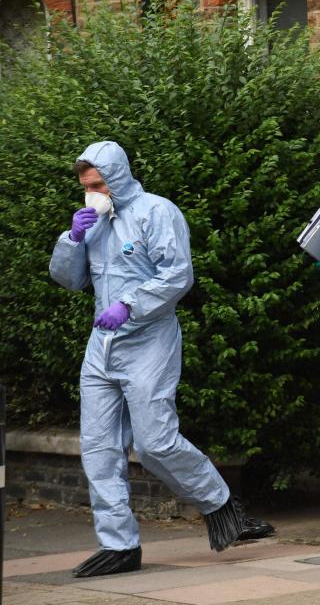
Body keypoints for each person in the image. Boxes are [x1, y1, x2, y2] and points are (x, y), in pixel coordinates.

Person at [49, 141, 274, 578]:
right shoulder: (93, 221)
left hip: (148, 341)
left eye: (97, 184)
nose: (91, 193)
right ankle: (119, 545)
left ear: (116, 176)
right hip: (102, 345)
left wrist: (130, 305)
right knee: (98, 448)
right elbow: (69, 280)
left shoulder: (157, 212)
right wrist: (71, 239)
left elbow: (178, 274)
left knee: (155, 443)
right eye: (85, 187)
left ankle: (223, 506)